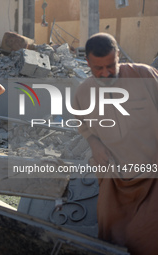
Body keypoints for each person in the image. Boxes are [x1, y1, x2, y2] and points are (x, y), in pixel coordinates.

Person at [73, 32, 158, 255]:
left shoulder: (145, 76)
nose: (106, 73)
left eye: (111, 65)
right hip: (118, 180)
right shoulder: (83, 94)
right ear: (88, 62)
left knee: (144, 238)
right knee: (112, 237)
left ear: (118, 55)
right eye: (98, 68)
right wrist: (93, 142)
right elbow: (83, 125)